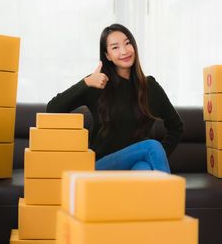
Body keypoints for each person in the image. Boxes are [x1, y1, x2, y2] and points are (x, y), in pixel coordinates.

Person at [46, 23, 183, 173]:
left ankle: (161, 194)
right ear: (107, 55)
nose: (124, 51)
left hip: (136, 162)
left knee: (143, 168)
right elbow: (53, 108)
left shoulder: (150, 87)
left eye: (127, 43)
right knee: (152, 146)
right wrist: (86, 82)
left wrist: (158, 156)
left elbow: (176, 127)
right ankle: (170, 196)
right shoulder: (97, 83)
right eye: (115, 47)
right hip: (101, 166)